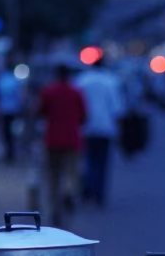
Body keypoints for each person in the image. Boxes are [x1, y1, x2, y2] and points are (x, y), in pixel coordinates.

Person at [37, 63, 86, 225]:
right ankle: (69, 192)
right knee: (71, 172)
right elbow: (84, 116)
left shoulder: (48, 92)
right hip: (72, 138)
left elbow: (40, 112)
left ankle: (55, 208)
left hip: (52, 139)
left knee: (53, 176)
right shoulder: (76, 93)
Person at [75, 57, 124, 205]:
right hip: (105, 128)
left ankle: (88, 189)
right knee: (102, 162)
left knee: (88, 160)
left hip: (86, 127)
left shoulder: (81, 81)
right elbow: (117, 108)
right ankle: (98, 193)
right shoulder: (110, 82)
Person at [0, 65, 23, 163]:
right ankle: (11, 152)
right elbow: (18, 96)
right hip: (12, 110)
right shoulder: (14, 80)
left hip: (4, 110)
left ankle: (9, 153)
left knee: (6, 133)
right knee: (11, 133)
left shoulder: (1, 80)